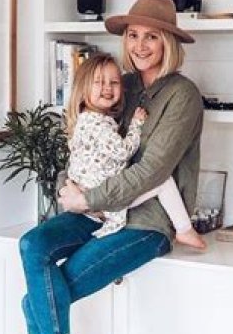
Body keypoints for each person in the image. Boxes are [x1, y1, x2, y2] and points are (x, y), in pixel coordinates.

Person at [0, 0, 204, 334]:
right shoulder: (119, 85)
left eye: (151, 36)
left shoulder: (182, 96)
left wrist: (87, 197)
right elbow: (84, 140)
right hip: (93, 214)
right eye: (133, 35)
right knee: (32, 245)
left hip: (144, 223)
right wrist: (69, 189)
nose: (140, 45)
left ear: (169, 42)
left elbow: (150, 171)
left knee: (33, 302)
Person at [66, 52, 206, 248]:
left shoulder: (88, 119)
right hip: (103, 193)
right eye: (99, 82)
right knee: (164, 181)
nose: (108, 87)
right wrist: (136, 124)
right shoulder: (97, 124)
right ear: (83, 89)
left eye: (114, 82)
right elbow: (124, 151)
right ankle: (184, 229)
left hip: (93, 192)